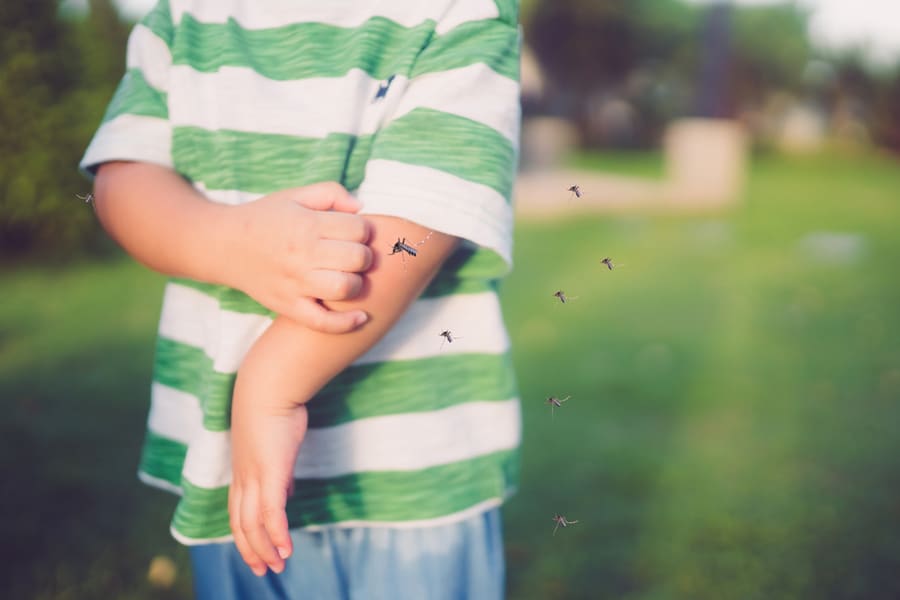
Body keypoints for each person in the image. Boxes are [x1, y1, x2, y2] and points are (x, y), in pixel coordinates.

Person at [81, 1, 522, 598]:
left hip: (408, 471)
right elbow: (123, 180)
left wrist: (269, 385)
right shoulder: (186, 16)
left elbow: (421, 225)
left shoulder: (455, 11)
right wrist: (230, 242)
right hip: (234, 469)